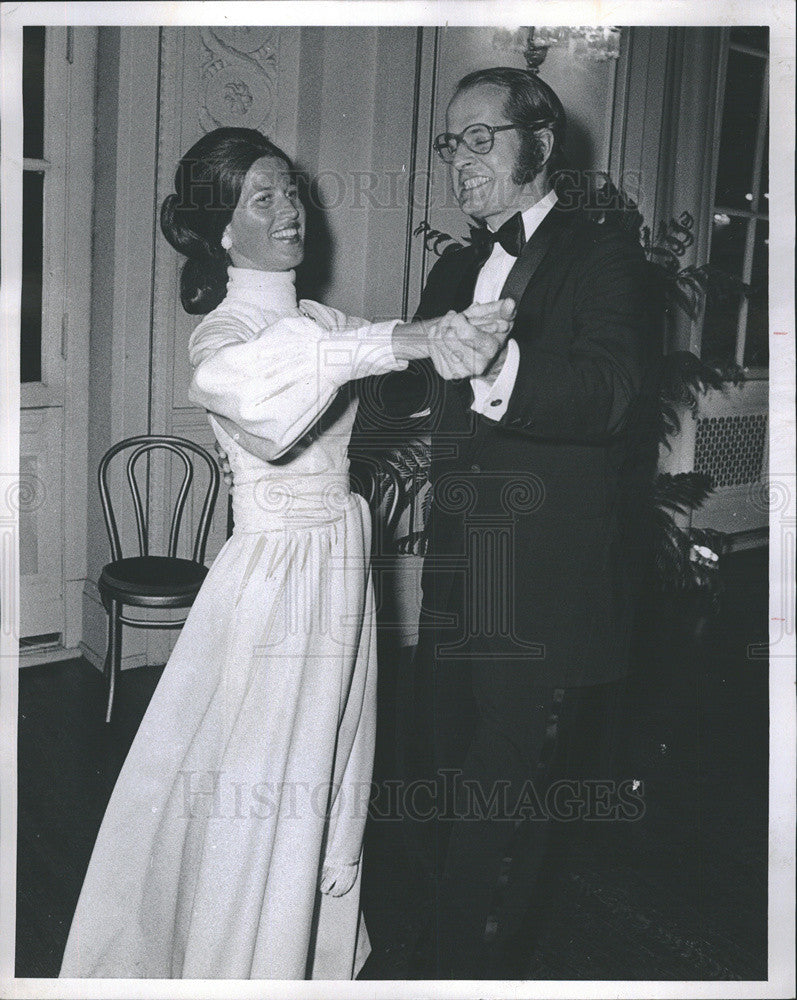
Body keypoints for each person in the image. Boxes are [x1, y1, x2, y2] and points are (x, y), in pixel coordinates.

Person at [58, 127, 514, 980]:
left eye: (291, 191)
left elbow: (385, 369)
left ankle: (300, 951)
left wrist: (465, 340)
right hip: (276, 578)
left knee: (334, 758)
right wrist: (407, 340)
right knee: (266, 776)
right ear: (223, 231)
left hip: (340, 552)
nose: (289, 211)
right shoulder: (222, 334)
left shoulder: (315, 318)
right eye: (261, 199)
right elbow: (265, 394)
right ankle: (239, 959)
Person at [399, 67, 659, 978]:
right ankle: (438, 953)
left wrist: (490, 371)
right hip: (456, 573)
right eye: (450, 142)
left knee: (501, 810)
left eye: (480, 139)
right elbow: (404, 377)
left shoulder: (606, 254)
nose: (458, 160)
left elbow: (612, 394)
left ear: (537, 146)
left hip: (544, 588)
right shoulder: (456, 264)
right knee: (442, 775)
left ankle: (473, 974)